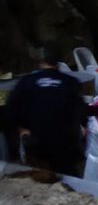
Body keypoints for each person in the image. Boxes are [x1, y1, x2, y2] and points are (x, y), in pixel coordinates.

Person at [6, 46, 86, 174]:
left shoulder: (26, 82)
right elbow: (80, 110)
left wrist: (21, 129)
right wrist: (82, 126)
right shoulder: (71, 82)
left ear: (41, 62)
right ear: (59, 62)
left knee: (40, 177)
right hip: (64, 143)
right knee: (67, 179)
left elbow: (11, 108)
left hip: (36, 142)